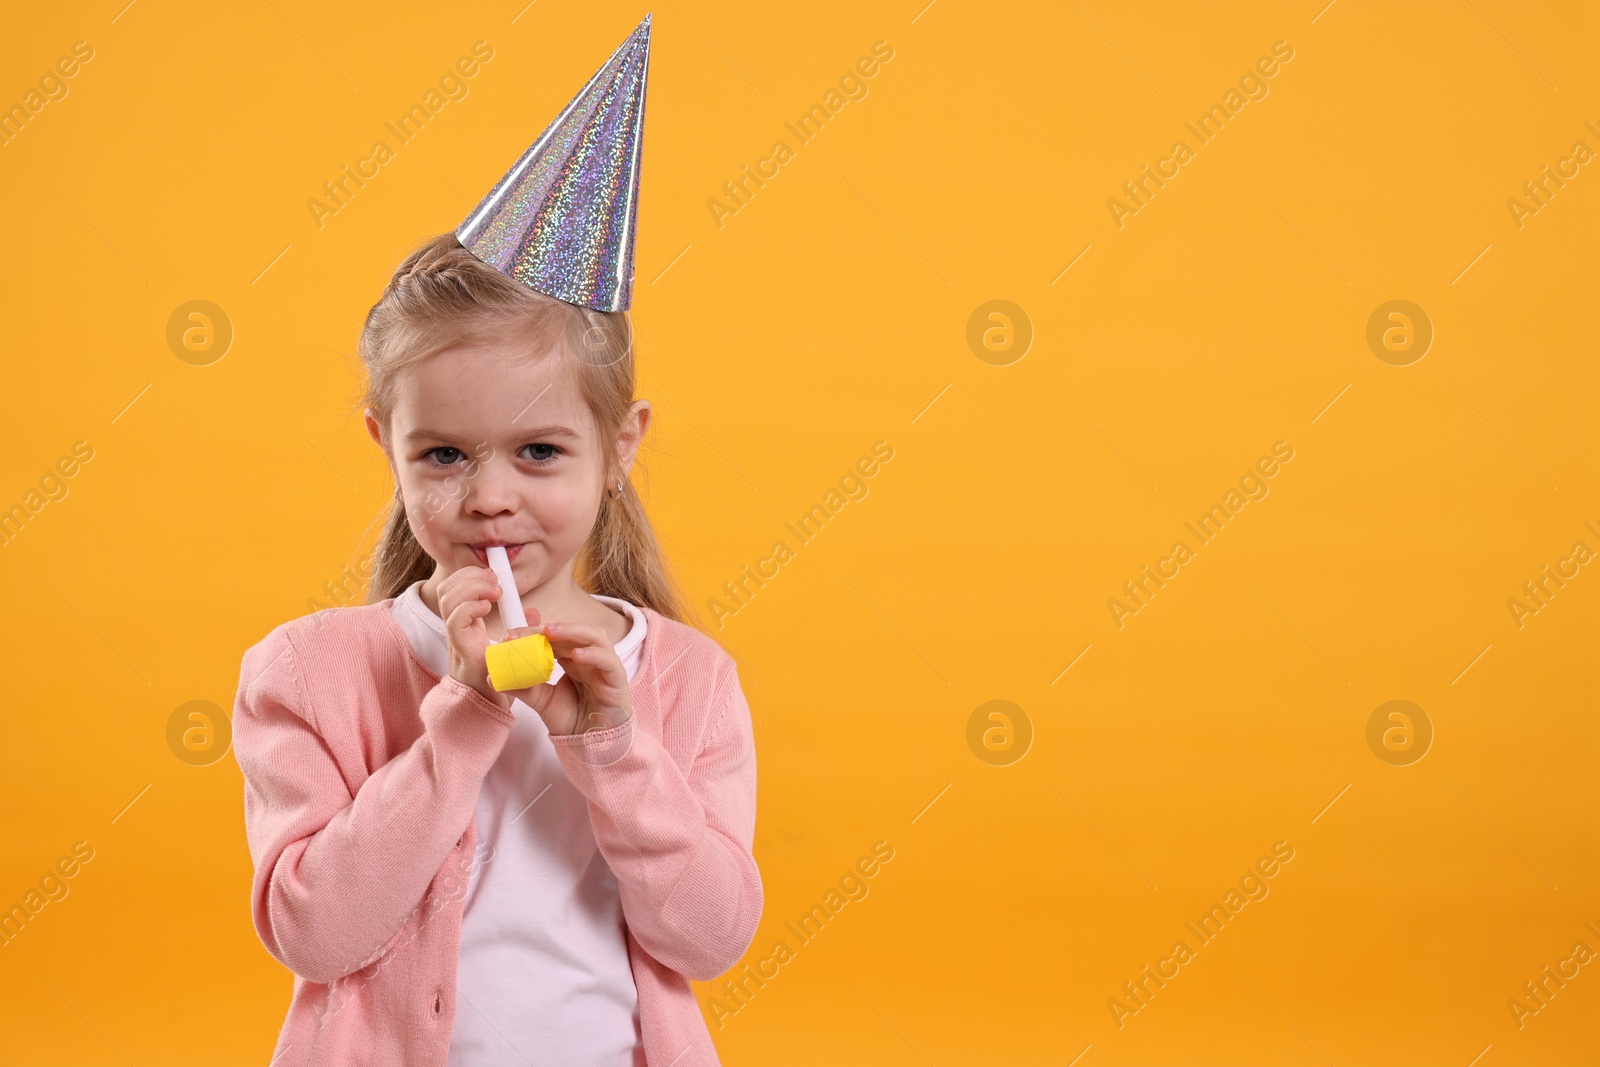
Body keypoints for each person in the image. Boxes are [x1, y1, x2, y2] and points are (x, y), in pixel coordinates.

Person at [232, 16, 762, 1066]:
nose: (487, 498)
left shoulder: (688, 679)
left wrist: (611, 746)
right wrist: (464, 717)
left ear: (618, 446)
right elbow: (313, 929)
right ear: (386, 443)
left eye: (538, 452)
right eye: (442, 456)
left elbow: (708, 936)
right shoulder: (309, 671)